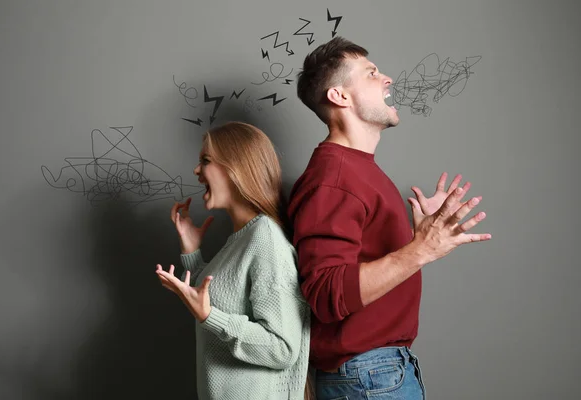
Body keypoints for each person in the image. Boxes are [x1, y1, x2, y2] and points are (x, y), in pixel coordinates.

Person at [287, 37, 492, 399]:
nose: (387, 79)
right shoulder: (334, 177)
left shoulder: (356, 170)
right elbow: (325, 293)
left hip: (379, 372)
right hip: (367, 377)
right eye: (371, 74)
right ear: (340, 97)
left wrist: (420, 240)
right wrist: (421, 250)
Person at [155, 121, 312, 400]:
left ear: (235, 167)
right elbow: (222, 295)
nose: (196, 170)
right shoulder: (242, 238)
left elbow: (282, 349)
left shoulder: (265, 238)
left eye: (205, 160)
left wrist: (210, 317)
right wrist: (192, 254)